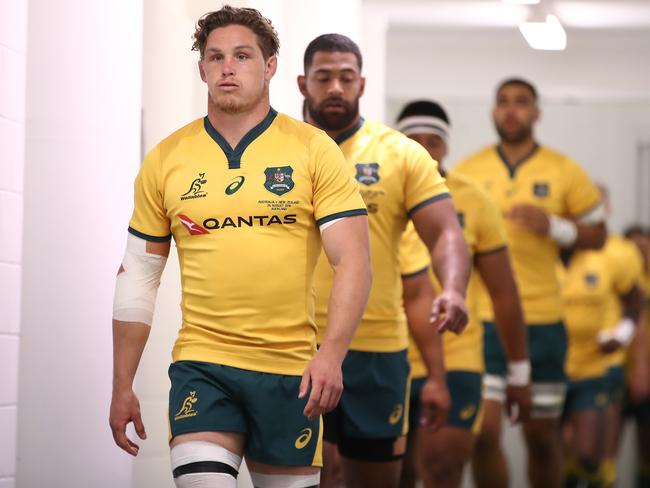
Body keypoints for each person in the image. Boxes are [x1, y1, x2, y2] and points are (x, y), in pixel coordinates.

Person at [108, 7, 372, 488]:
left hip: (292, 373)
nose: (228, 67)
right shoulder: (166, 158)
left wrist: (332, 353)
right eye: (216, 57)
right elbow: (139, 275)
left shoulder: (314, 150)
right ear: (202, 69)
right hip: (203, 367)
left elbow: (352, 259)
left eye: (242, 55)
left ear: (270, 67)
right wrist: (122, 383)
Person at [298, 34, 471, 488]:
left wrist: (453, 287)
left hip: (376, 353)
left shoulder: (400, 154)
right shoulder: (276, 151)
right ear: (302, 83)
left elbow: (446, 233)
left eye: (346, 77)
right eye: (324, 77)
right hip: (295, 345)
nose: (335, 86)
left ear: (362, 84)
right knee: (318, 475)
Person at [455, 77, 607, 488]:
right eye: (503, 101)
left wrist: (556, 227)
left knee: (541, 437)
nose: (511, 109)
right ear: (492, 111)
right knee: (483, 433)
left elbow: (599, 233)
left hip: (542, 320)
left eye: (521, 102)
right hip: (483, 320)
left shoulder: (563, 170)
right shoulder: (468, 171)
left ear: (536, 113)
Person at [395, 100, 531, 488]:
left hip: (457, 354)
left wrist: (520, 372)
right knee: (395, 473)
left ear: (446, 147)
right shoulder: (370, 192)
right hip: (387, 352)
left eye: (433, 141)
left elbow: (504, 291)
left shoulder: (473, 200)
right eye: (412, 141)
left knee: (442, 467)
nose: (423, 150)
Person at [560, 210, 645, 487]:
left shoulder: (617, 254)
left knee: (594, 450)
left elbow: (636, 306)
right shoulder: (549, 251)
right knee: (558, 446)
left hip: (601, 365)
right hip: (556, 364)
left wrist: (621, 337)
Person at [623, 225, 650, 487]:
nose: (641, 255)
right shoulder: (622, 282)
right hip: (616, 369)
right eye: (634, 249)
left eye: (645, 248)